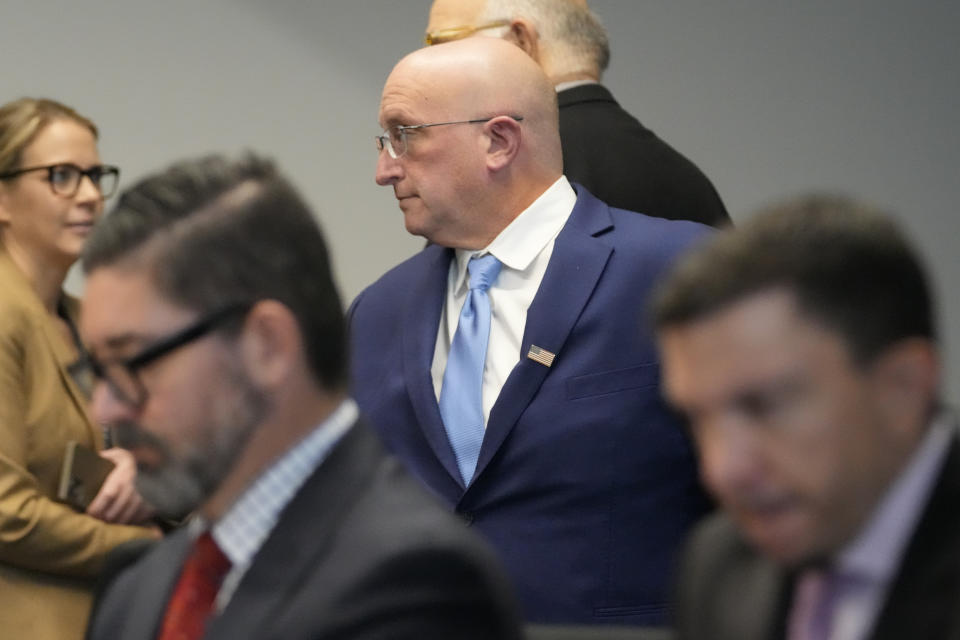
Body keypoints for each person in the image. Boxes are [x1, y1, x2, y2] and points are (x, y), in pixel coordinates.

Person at [81, 153, 523, 640]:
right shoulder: (140, 589)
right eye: (98, 370)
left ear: (265, 347)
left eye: (135, 363)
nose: (107, 407)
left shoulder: (416, 583)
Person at [350, 37, 712, 626]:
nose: (384, 168)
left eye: (405, 135)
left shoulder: (678, 274)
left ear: (498, 140)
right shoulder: (376, 313)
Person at [652, 195, 960, 639]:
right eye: (696, 419)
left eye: (764, 406)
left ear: (903, 388)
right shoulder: (719, 564)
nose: (722, 470)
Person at [0, 97, 157, 640]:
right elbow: (5, 513)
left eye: (94, 176)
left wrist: (151, 475)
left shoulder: (93, 321)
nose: (91, 196)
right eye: (61, 176)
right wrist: (153, 547)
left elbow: (178, 455)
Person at [425, 0, 731, 228]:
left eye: (439, 42)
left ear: (521, 42)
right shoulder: (688, 181)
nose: (427, 63)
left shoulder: (508, 178)